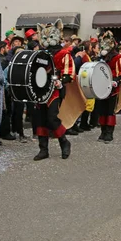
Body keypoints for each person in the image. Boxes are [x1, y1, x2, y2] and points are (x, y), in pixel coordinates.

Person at [33, 19, 78, 160]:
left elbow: (70, 72)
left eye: (51, 37)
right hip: (40, 90)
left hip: (55, 90)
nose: (47, 40)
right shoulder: (39, 54)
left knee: (52, 118)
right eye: (45, 38)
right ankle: (43, 149)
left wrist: (61, 80)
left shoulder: (63, 54)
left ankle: (64, 142)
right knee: (40, 119)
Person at [97, 31, 121, 144]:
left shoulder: (117, 58)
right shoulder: (100, 58)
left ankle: (109, 133)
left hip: (112, 88)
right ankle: (102, 131)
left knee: (110, 111)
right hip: (101, 87)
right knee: (102, 110)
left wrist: (115, 82)